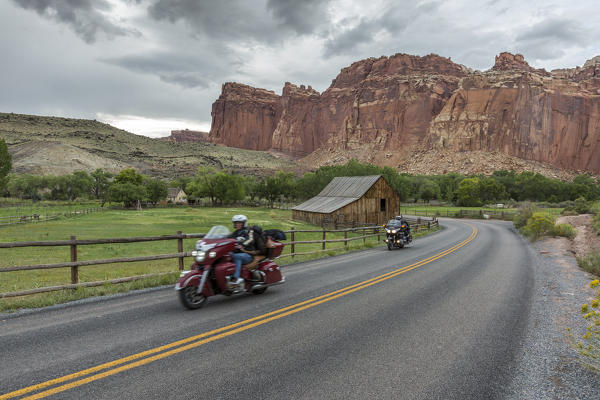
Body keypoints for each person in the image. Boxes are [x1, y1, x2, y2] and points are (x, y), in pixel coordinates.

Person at [228, 214, 256, 287]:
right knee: (227, 255)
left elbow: (251, 239)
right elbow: (228, 239)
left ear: (244, 223)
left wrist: (242, 245)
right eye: (236, 223)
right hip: (237, 252)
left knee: (237, 257)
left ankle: (235, 279)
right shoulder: (236, 232)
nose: (237, 224)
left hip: (248, 254)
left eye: (239, 223)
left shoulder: (249, 231)